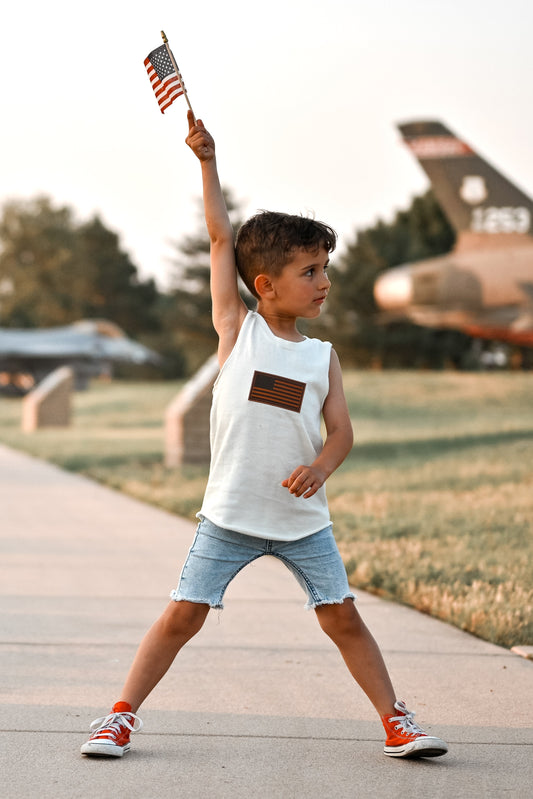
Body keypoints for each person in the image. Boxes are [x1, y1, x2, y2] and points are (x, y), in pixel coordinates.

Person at [80, 111, 448, 760]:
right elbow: (220, 238)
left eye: (325, 268)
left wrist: (321, 467)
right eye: (310, 271)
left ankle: (397, 721)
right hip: (230, 515)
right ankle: (118, 717)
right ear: (264, 286)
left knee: (341, 616)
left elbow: (341, 432)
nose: (324, 282)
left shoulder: (323, 357)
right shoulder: (237, 329)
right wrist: (207, 162)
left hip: (303, 521)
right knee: (183, 614)